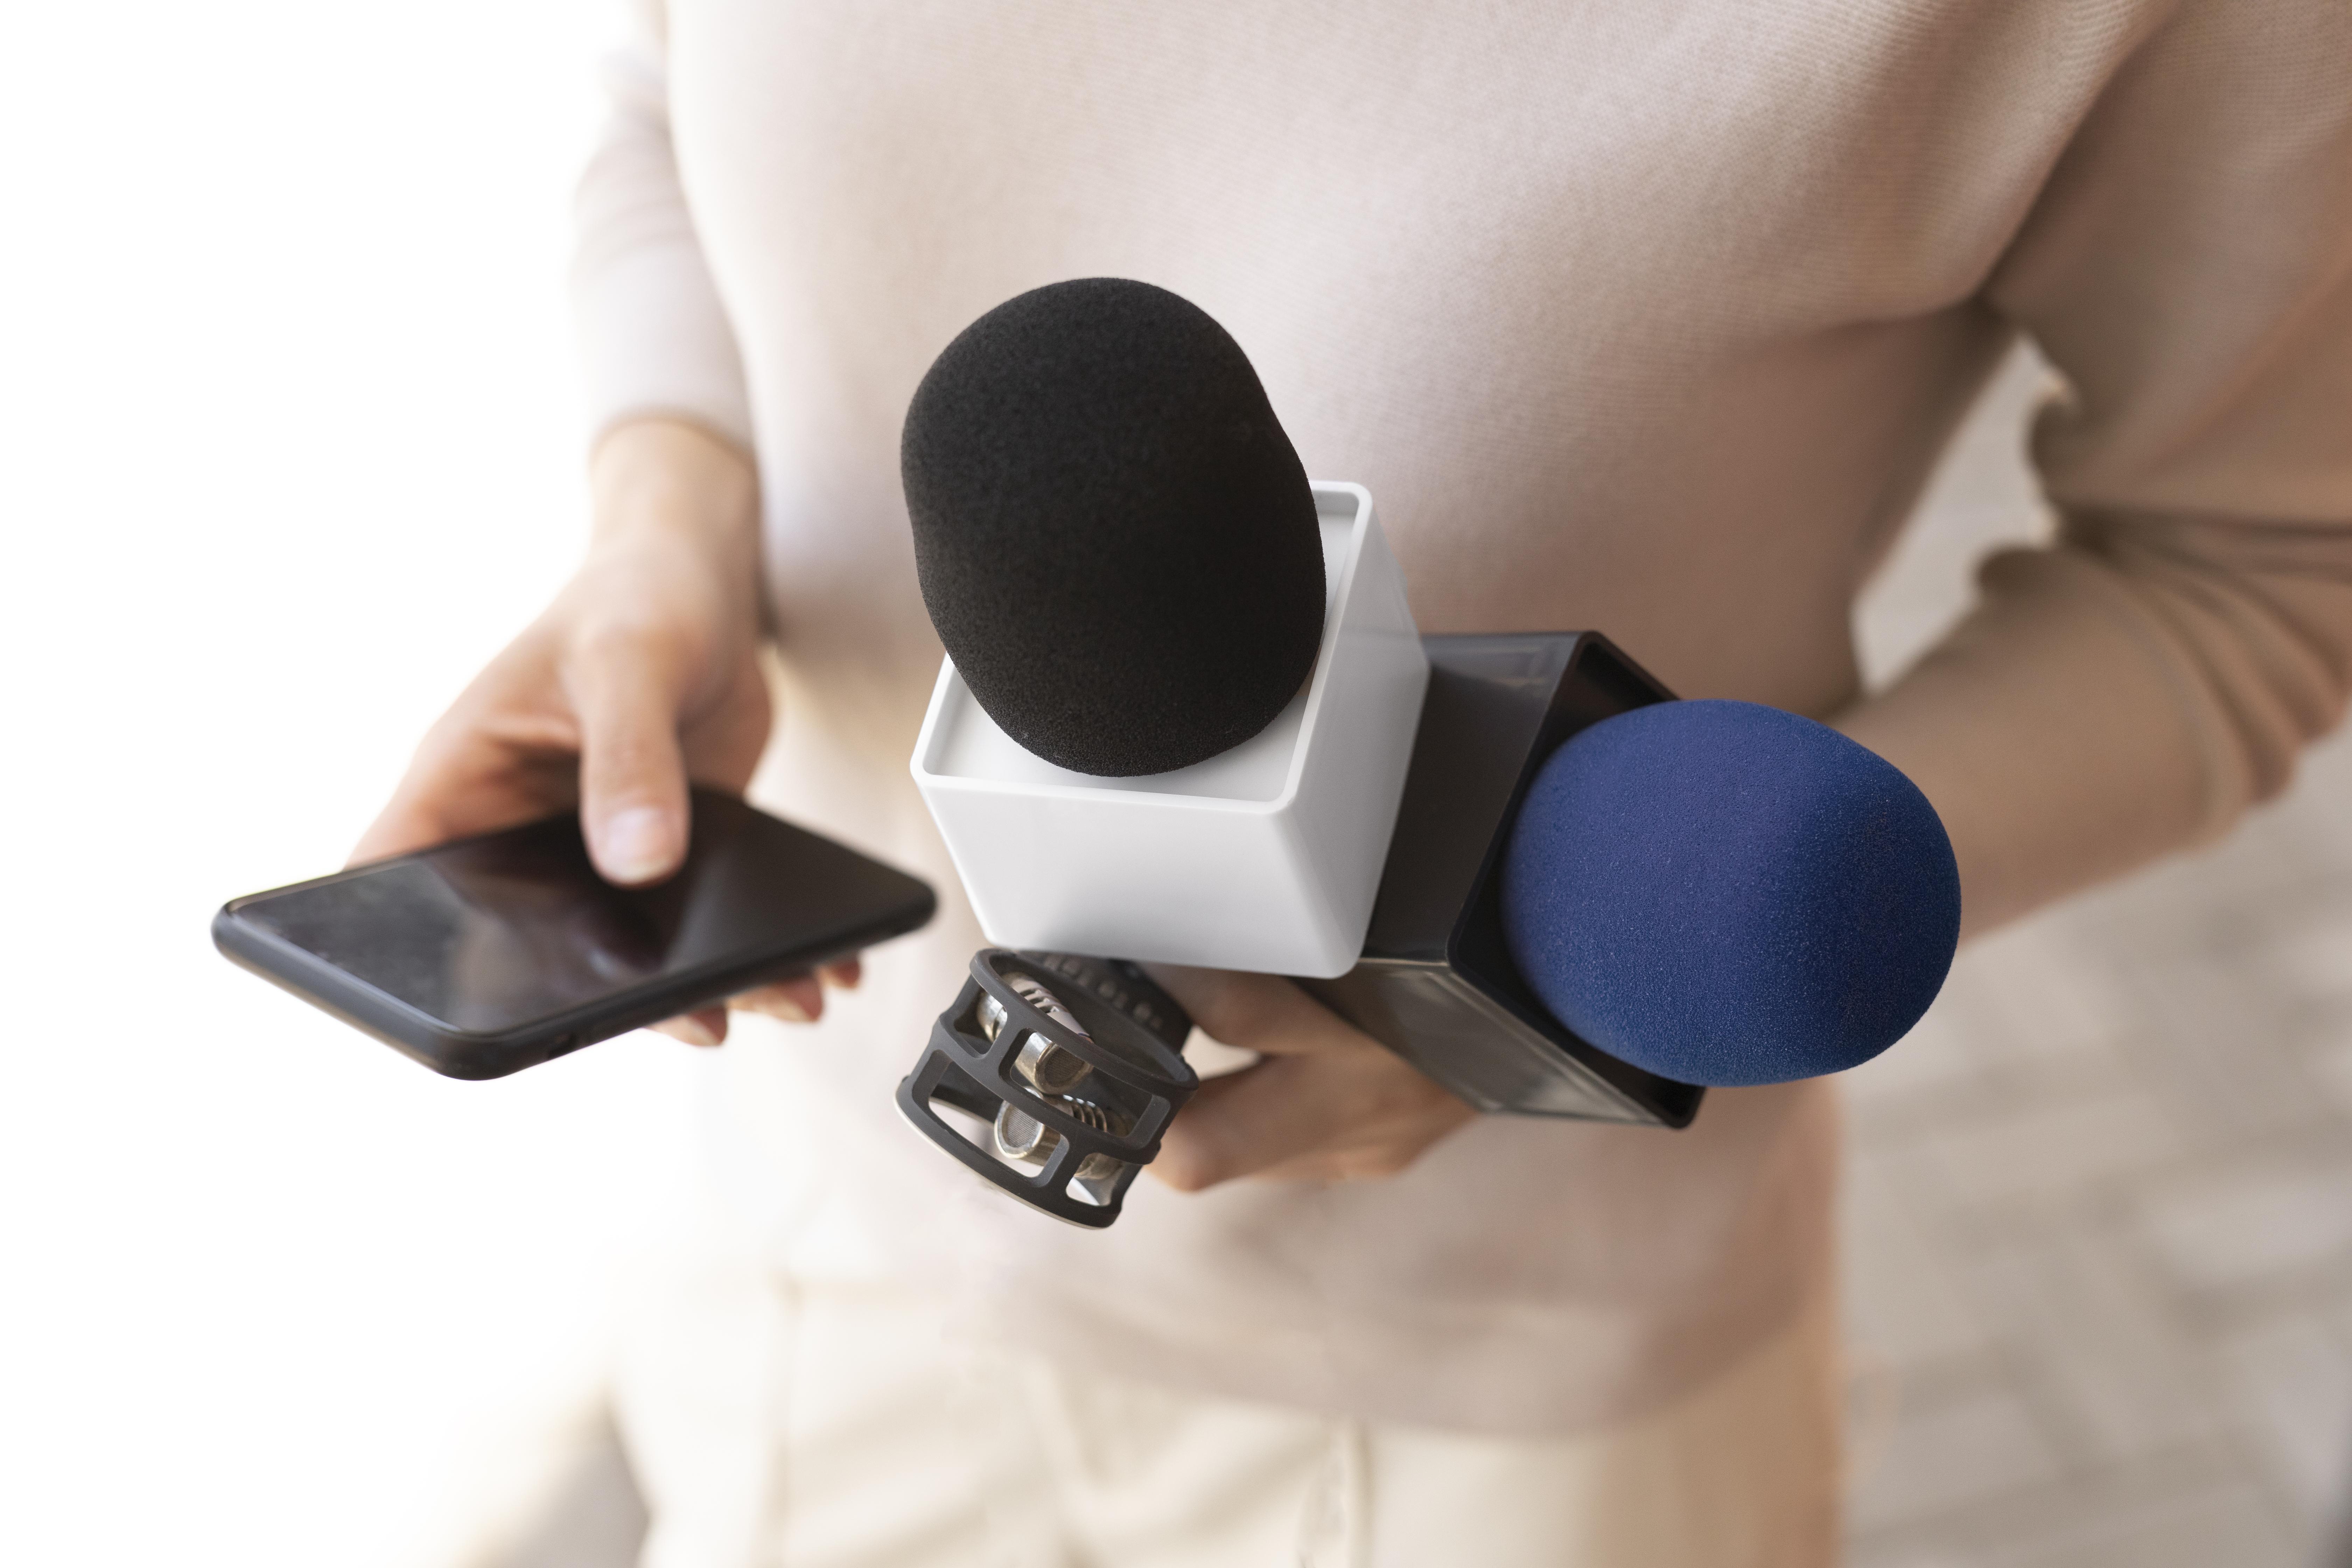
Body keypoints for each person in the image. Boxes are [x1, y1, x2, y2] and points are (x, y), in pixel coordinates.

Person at [357, 3, 2352, 1563]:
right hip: (821, 1242)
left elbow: (2253, 570)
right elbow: (662, 100)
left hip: (1505, 1404)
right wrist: (669, 513)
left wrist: (1582, 968)